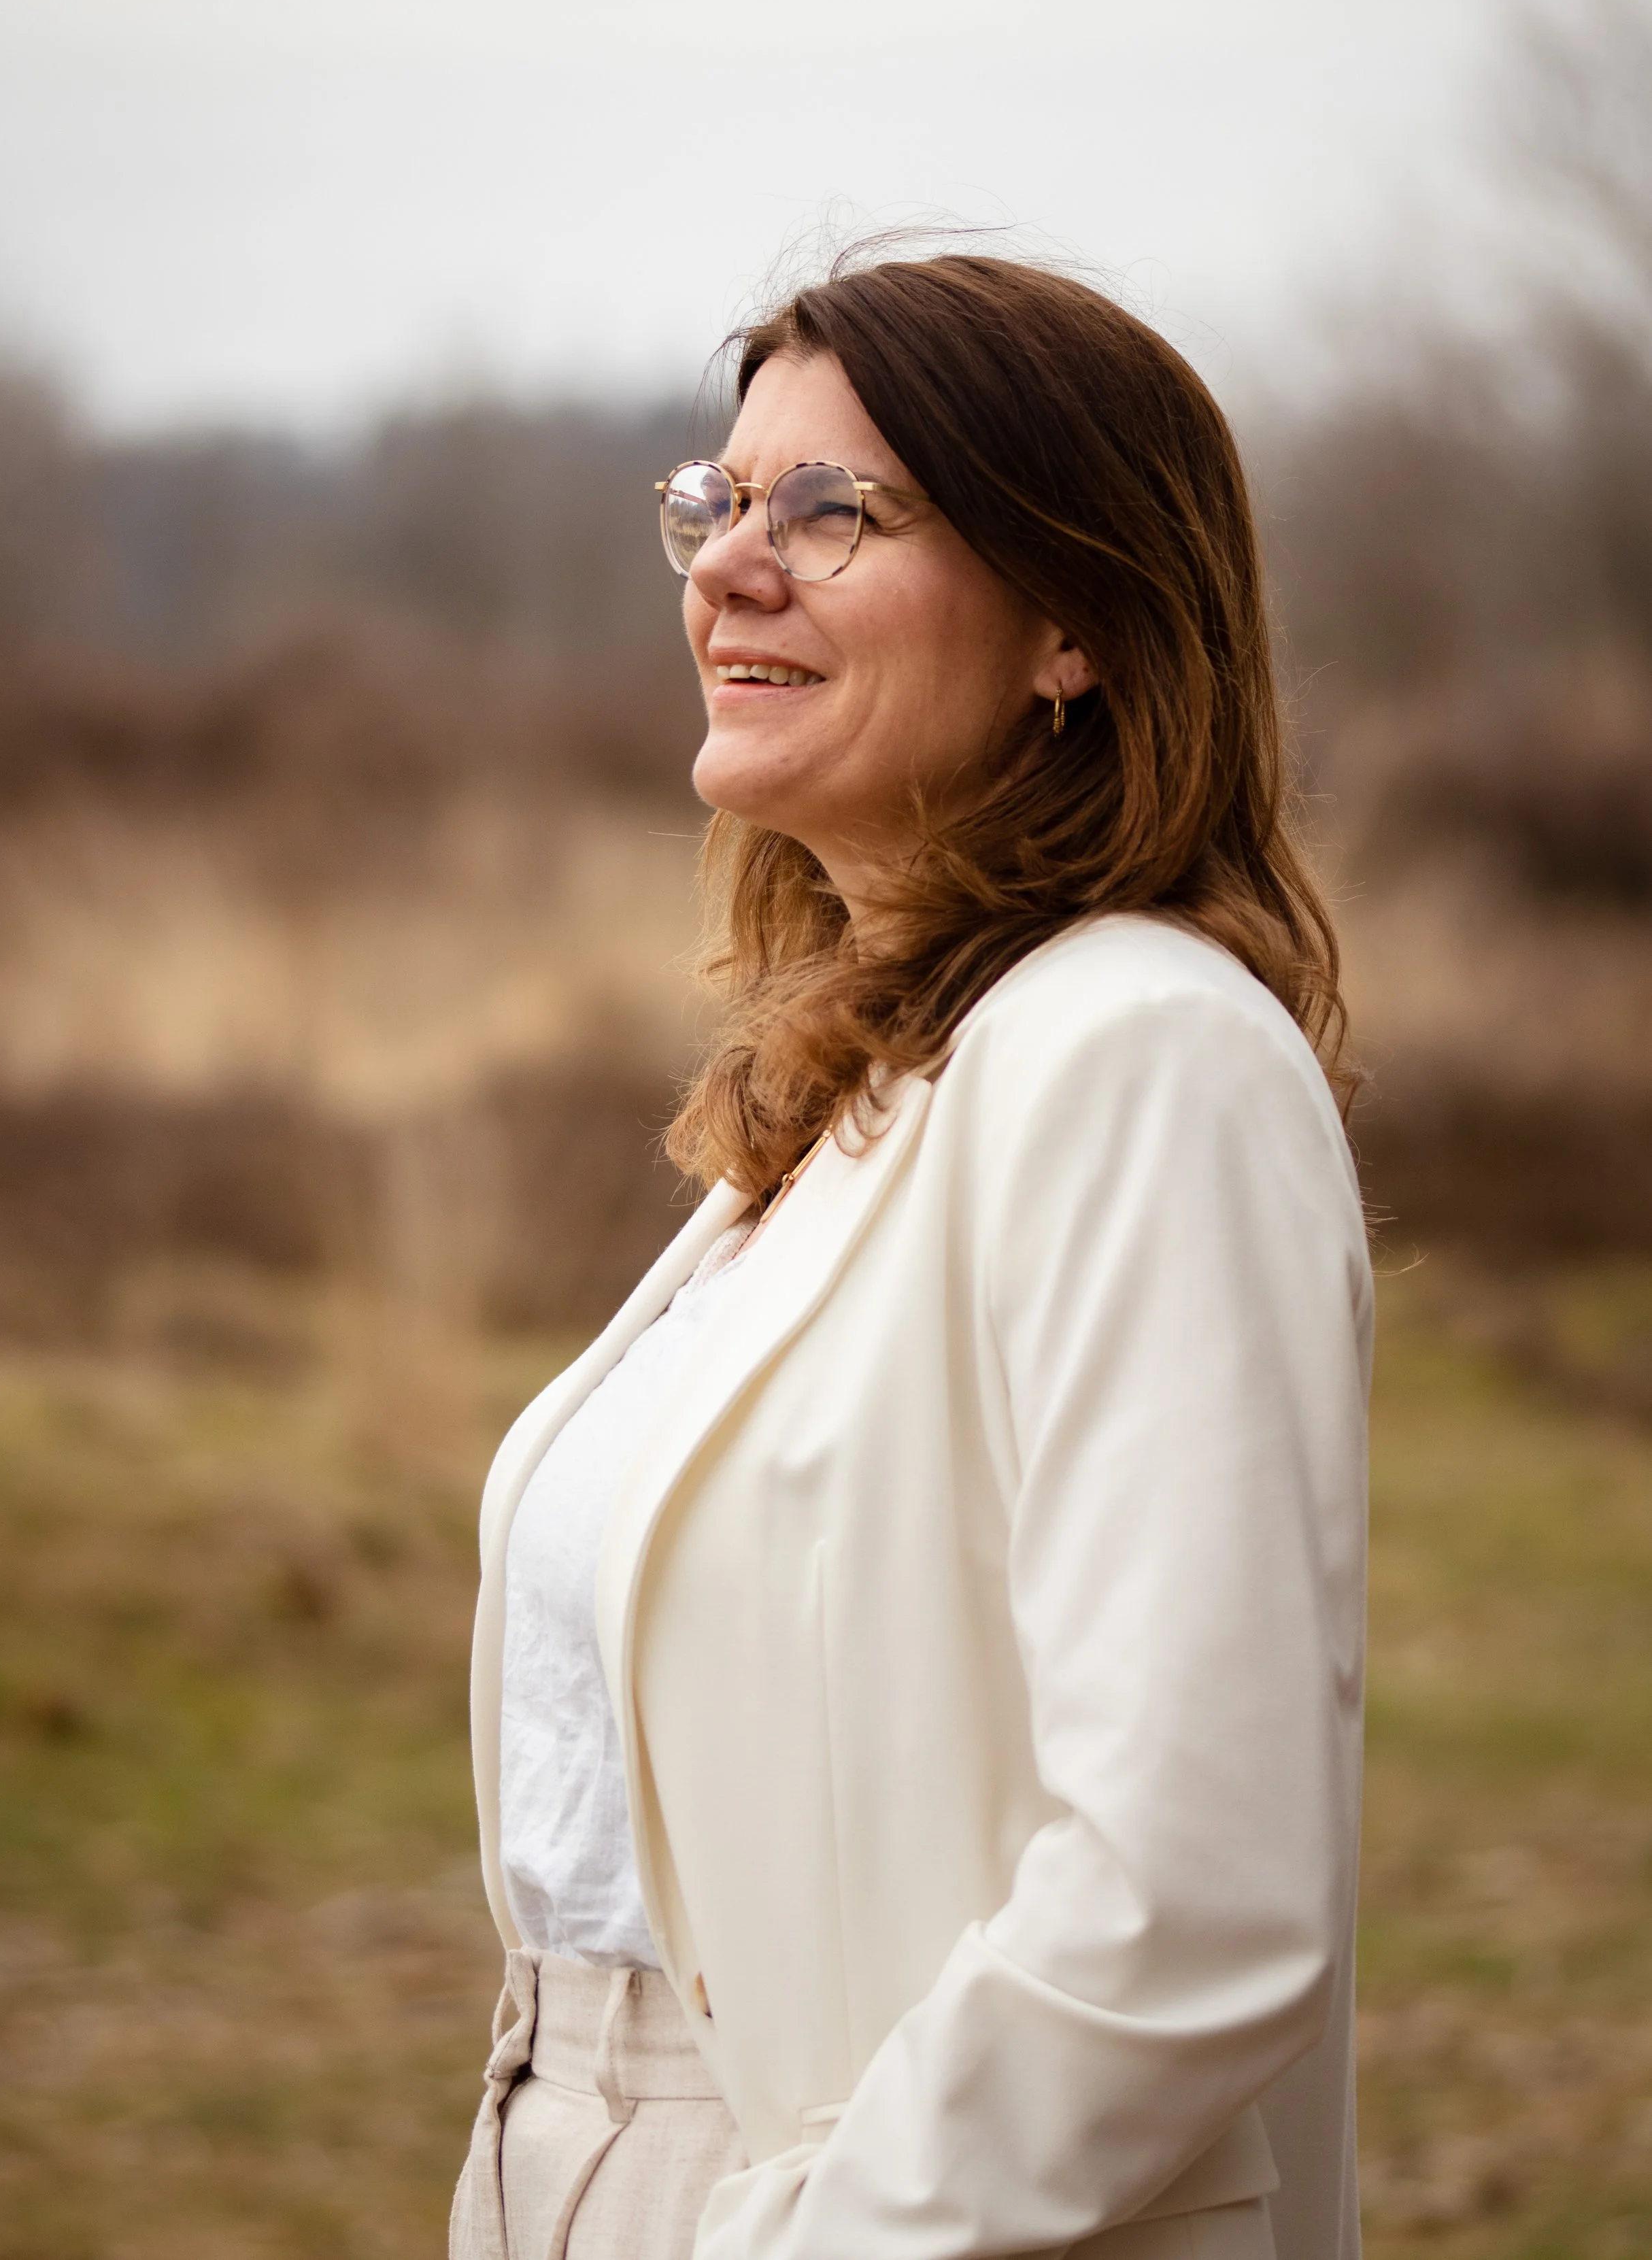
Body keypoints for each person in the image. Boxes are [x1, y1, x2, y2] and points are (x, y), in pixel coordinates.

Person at [450, 253, 1372, 2260]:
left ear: (1074, 623)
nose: (729, 568)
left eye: (829, 512)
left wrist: (803, 2235)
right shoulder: (878, 1086)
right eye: (717, 501)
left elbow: (1194, 1892)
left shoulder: (1137, 1054)